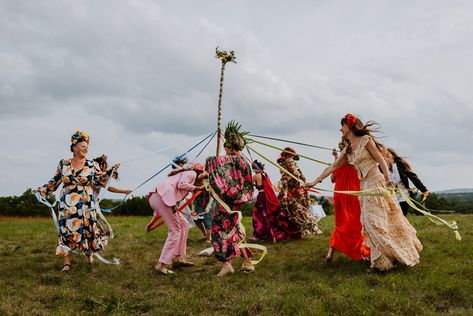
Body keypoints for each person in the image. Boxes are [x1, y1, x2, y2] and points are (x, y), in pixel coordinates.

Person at [305, 114, 422, 271]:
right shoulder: (347, 151)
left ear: (350, 126)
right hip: (364, 188)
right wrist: (315, 181)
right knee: (367, 223)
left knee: (377, 221)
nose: (340, 129)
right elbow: (332, 167)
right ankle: (382, 261)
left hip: (376, 183)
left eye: (342, 126)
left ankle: (387, 259)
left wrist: (387, 178)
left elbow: (380, 159)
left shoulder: (366, 140)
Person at [36, 131, 119, 272]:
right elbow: (54, 182)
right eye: (82, 146)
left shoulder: (92, 165)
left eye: (87, 147)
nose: (85, 149)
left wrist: (111, 171)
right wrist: (42, 190)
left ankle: (89, 255)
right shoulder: (64, 164)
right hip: (67, 205)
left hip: (87, 204)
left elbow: (101, 180)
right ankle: (67, 263)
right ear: (74, 147)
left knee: (87, 230)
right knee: (66, 231)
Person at [206, 121, 255, 276]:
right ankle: (247, 262)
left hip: (225, 204)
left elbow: (211, 163)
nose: (224, 150)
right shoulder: (245, 163)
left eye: (226, 147)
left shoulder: (230, 160)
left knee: (219, 231)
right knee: (236, 230)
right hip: (237, 203)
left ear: (230, 147)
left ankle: (227, 264)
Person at [145, 163, 205, 275]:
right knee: (175, 231)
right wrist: (198, 188)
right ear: (199, 173)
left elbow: (161, 203)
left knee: (184, 224)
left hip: (157, 198)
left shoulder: (182, 175)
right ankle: (161, 265)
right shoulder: (191, 173)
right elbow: (182, 185)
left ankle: (178, 258)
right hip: (163, 198)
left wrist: (152, 223)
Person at [325, 140, 365, 262]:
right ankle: (359, 251)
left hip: (340, 196)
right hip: (353, 196)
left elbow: (332, 179)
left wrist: (335, 159)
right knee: (355, 224)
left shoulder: (338, 165)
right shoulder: (357, 165)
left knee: (341, 223)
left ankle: (330, 253)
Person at [251, 160, 301, 242]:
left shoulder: (255, 176)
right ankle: (271, 233)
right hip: (267, 197)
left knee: (258, 216)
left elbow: (249, 184)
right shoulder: (265, 175)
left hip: (261, 197)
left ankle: (261, 234)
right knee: (267, 215)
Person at [277, 147, 322, 236]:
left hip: (301, 194)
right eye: (288, 162)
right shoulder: (285, 174)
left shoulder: (298, 171)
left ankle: (312, 228)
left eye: (291, 162)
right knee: (296, 212)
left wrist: (298, 176)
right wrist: (285, 195)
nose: (290, 164)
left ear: (294, 163)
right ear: (285, 164)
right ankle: (301, 229)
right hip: (291, 195)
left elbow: (304, 180)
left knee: (305, 211)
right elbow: (284, 184)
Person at [92, 154, 132, 240]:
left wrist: (124, 191)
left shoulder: (99, 176)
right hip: (90, 204)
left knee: (99, 226)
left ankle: (97, 240)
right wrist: (124, 191)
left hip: (94, 203)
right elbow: (108, 186)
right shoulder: (95, 176)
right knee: (101, 227)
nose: (106, 167)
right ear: (101, 165)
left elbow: (107, 183)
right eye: (105, 165)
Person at [385, 148, 429, 216]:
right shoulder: (381, 168)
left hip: (404, 196)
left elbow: (413, 177)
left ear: (392, 155)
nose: (385, 157)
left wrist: (423, 189)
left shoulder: (401, 165)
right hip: (390, 197)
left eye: (387, 154)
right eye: (383, 155)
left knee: (402, 217)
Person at [190, 172, 214, 243]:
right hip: (199, 204)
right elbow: (193, 199)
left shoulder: (208, 185)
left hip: (209, 203)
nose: (202, 181)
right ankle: (205, 234)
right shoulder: (195, 186)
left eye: (204, 179)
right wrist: (193, 209)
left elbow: (211, 197)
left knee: (207, 220)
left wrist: (208, 206)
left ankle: (209, 238)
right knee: (197, 220)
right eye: (201, 180)